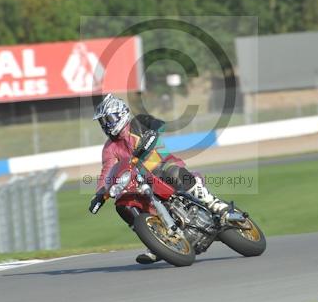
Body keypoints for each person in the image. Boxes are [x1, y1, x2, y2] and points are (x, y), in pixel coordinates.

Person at [88, 93, 228, 264]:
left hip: (161, 166)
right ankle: (156, 241)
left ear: (121, 113)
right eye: (103, 122)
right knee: (122, 205)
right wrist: (100, 194)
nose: (106, 125)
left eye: (109, 119)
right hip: (139, 181)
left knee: (173, 172)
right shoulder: (109, 148)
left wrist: (151, 134)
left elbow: (158, 125)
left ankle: (214, 204)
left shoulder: (138, 123)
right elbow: (108, 171)